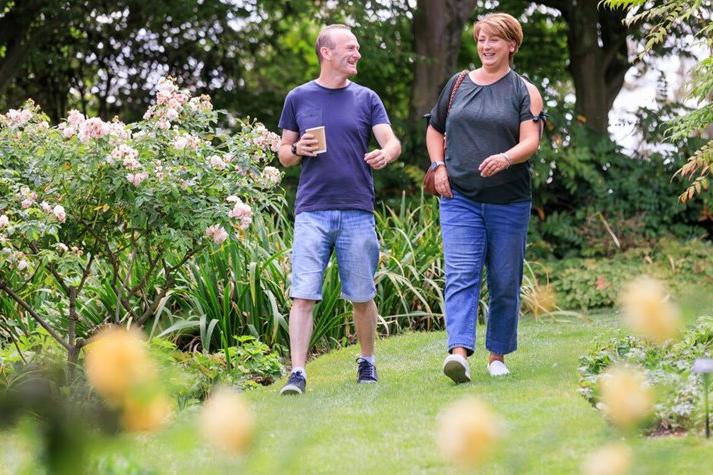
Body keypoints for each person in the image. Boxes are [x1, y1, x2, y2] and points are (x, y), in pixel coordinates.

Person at [277, 24, 401, 395]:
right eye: (350, 47)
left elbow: (391, 140)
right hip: (312, 211)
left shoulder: (366, 98)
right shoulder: (298, 98)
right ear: (325, 52)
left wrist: (387, 153)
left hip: (357, 209)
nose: (357, 54)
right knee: (303, 293)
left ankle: (367, 362)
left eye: (358, 48)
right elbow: (283, 154)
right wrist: (297, 150)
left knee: (362, 294)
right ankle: (297, 372)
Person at [426, 13, 544, 383]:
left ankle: (497, 356)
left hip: (508, 201)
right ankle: (458, 354)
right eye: (481, 39)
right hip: (459, 197)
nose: (486, 46)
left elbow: (531, 141)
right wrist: (438, 166)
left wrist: (506, 156)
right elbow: (434, 129)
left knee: (505, 279)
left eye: (494, 39)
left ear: (512, 44)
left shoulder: (524, 90)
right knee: (461, 274)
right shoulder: (458, 83)